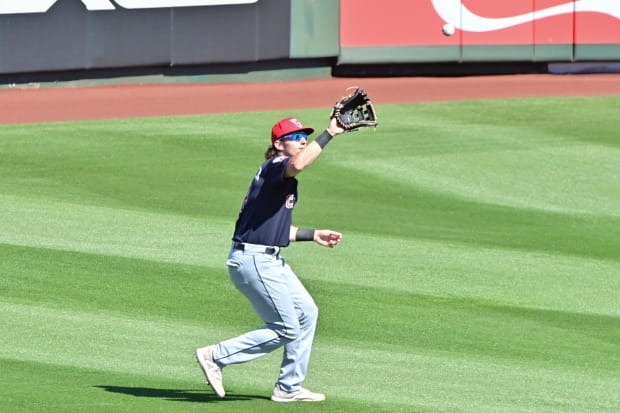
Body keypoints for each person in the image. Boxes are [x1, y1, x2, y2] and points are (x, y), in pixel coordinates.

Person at [196, 115, 345, 402]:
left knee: (307, 313)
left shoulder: (279, 181)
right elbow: (299, 164)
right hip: (254, 261)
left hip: (267, 258)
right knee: (287, 328)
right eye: (296, 137)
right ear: (278, 144)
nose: (302, 141)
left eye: (305, 137)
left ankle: (288, 387)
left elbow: (271, 231)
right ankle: (216, 356)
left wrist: (312, 234)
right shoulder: (276, 166)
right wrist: (330, 132)